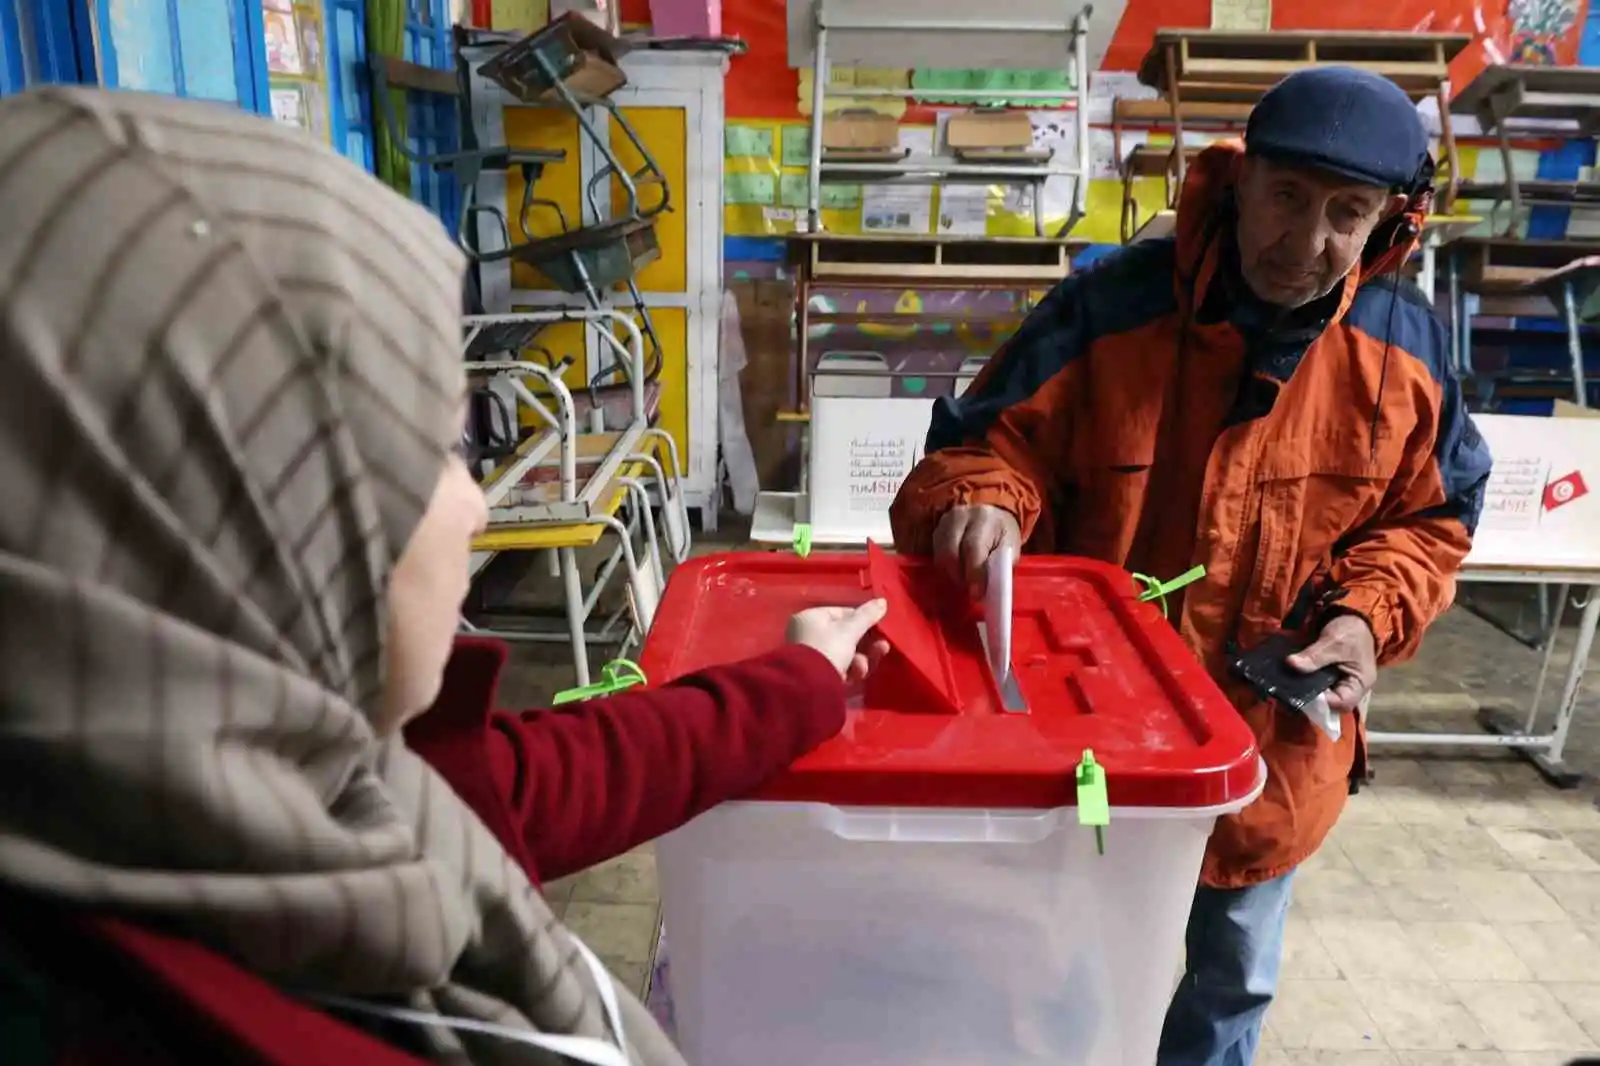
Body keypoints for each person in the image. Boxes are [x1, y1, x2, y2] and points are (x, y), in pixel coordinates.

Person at [0, 86, 886, 1066]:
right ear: (238, 504)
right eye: (437, 447)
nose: (473, 506)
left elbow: (540, 780)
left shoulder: (301, 788)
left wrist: (798, 679)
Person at [890, 66, 1493, 1066]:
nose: (1305, 243)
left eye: (1346, 213)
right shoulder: (1108, 310)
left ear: (1392, 221)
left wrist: (1362, 618)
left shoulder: (1407, 356)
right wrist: (982, 504)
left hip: (1273, 748)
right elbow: (980, 447)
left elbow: (1430, 520)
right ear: (1239, 178)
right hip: (1095, 745)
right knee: (1060, 968)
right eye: (1287, 198)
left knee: (1230, 979)